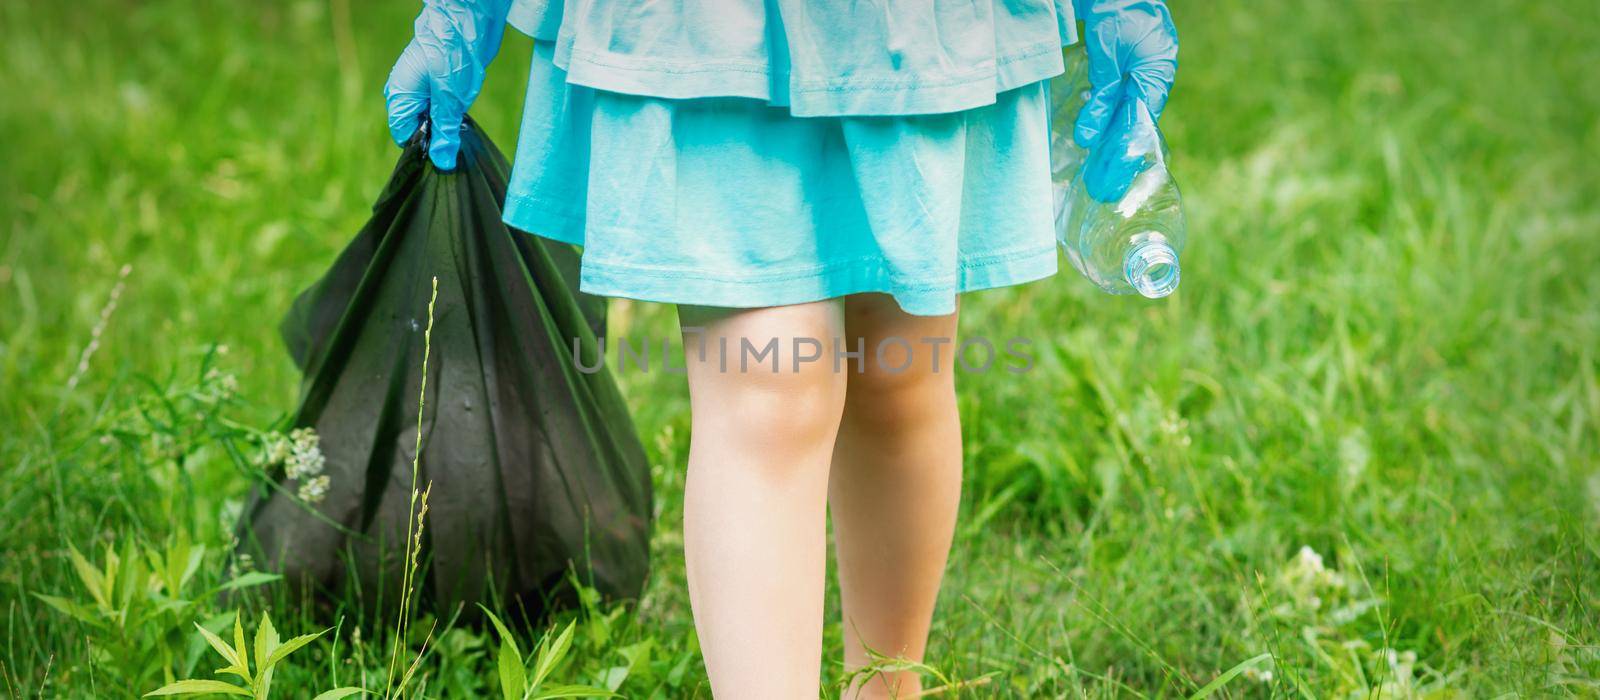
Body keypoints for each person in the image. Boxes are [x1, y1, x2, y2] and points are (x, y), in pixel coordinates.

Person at [384, 1, 1176, 697]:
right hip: (712, 31)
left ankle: (889, 693)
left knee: (899, 375)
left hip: (916, 28)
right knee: (768, 392)